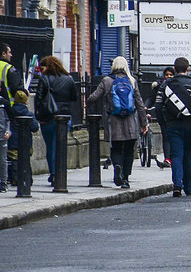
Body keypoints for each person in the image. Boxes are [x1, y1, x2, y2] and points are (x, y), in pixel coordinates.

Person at [87, 56, 148, 189]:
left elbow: (93, 97)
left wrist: (88, 103)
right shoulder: (132, 81)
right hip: (130, 122)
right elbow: (140, 104)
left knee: (116, 148)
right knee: (128, 150)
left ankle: (117, 167)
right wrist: (144, 123)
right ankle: (125, 178)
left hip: (113, 122)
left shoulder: (107, 81)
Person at [155, 56, 191, 197]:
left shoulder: (166, 85)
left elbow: (158, 106)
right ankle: (188, 187)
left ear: (174, 69)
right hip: (190, 125)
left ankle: (177, 185)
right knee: (188, 155)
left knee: (176, 155)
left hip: (173, 125)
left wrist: (163, 123)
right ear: (188, 69)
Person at [34, 56, 79, 184]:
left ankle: (53, 173)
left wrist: (39, 117)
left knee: (50, 146)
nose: (41, 70)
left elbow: (38, 98)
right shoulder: (69, 79)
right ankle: (60, 173)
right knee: (60, 146)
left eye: (42, 67)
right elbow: (74, 97)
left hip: (48, 117)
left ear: (47, 66)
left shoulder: (44, 79)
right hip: (64, 117)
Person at [0, 43, 23, 186]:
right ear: (3, 53)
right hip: (8, 111)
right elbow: (17, 89)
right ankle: (6, 180)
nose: (11, 55)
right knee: (7, 150)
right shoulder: (9, 68)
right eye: (9, 52)